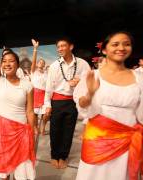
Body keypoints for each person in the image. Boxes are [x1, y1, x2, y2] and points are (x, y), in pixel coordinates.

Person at [74, 31, 143, 180]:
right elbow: (82, 106)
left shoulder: (139, 78)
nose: (122, 48)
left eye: (127, 44)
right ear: (104, 50)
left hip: (127, 140)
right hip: (98, 139)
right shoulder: (93, 75)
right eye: (115, 44)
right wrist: (90, 95)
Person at [0, 18, 36, 180]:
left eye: (11, 61)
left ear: (18, 65)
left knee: (21, 171)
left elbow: (30, 111)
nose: (7, 64)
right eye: (4, 61)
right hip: (3, 133)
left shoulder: (27, 85)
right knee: (4, 171)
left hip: (21, 132)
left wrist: (31, 132)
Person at [44, 37, 91, 169]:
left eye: (63, 46)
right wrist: (47, 104)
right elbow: (49, 87)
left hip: (73, 102)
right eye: (58, 47)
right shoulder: (54, 66)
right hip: (57, 101)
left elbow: (89, 83)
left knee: (68, 131)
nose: (60, 49)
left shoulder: (82, 64)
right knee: (55, 131)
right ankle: (54, 155)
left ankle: (63, 156)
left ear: (71, 47)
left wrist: (80, 82)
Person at [30, 39, 48, 135]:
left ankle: (43, 127)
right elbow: (33, 62)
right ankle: (36, 127)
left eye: (42, 62)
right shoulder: (34, 71)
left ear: (44, 64)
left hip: (44, 94)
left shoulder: (46, 73)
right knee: (35, 114)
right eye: (39, 62)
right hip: (35, 93)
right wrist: (35, 49)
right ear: (37, 64)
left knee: (46, 113)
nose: (41, 62)